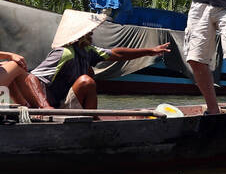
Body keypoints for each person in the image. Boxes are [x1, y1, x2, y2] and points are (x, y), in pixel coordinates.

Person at [24, 10, 171, 110]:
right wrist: (44, 107)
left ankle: (92, 118)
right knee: (86, 81)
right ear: (80, 34)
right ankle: (92, 120)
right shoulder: (64, 53)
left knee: (89, 73)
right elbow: (31, 78)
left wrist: (150, 51)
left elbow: (117, 54)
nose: (92, 33)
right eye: (89, 31)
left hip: (63, 103)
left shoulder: (88, 50)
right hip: (54, 107)